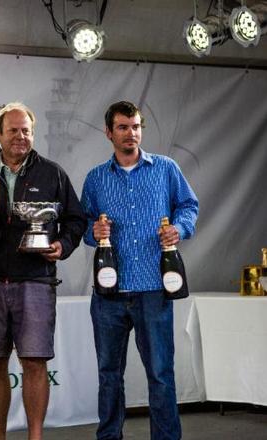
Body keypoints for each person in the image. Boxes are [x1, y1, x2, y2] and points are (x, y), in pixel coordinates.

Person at [0, 102, 86, 440]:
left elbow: (76, 220)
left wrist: (63, 244)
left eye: (26, 131)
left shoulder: (52, 172)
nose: (20, 137)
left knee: (34, 363)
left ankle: (35, 437)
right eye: (13, 130)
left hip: (35, 278)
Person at [81, 101, 199, 440]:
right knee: (108, 375)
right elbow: (83, 223)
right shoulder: (96, 178)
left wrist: (179, 227)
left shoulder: (166, 168)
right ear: (109, 133)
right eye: (123, 127)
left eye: (135, 126)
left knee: (161, 374)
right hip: (109, 294)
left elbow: (188, 205)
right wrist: (94, 232)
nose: (130, 133)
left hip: (153, 288)